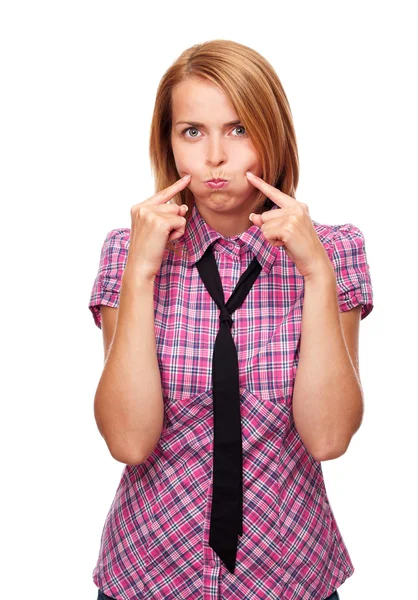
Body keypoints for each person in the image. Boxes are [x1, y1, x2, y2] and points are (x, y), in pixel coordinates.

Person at [88, 39, 373, 600]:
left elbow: (329, 436)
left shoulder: (334, 250)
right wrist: (141, 273)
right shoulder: (127, 252)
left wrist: (316, 274)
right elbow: (128, 440)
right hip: (150, 571)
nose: (215, 156)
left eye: (239, 129)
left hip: (288, 574)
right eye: (192, 131)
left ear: (273, 135)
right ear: (169, 145)